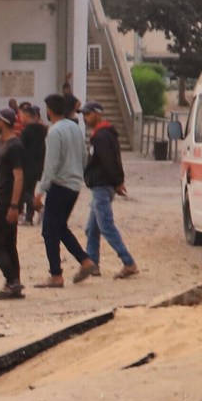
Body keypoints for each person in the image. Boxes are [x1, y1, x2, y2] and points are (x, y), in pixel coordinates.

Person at [36, 93, 90, 287]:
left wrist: (40, 191)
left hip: (59, 186)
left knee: (49, 231)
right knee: (58, 227)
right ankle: (85, 260)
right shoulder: (76, 129)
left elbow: (50, 165)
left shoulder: (54, 132)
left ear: (49, 111)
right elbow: (84, 156)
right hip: (74, 185)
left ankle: (56, 275)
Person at [80, 102, 139, 279]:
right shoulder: (104, 134)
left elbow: (108, 161)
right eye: (84, 114)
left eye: (88, 114)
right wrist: (118, 181)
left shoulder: (102, 136)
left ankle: (128, 262)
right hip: (103, 185)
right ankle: (93, 263)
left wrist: (118, 181)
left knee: (106, 226)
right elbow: (115, 159)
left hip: (102, 185)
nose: (85, 117)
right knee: (92, 228)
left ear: (98, 114)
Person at [0, 106, 26, 301]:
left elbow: (18, 177)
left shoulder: (14, 146)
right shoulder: (8, 145)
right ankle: (13, 284)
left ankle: (12, 281)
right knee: (9, 244)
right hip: (4, 202)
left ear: (4, 123)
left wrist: (14, 206)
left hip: (8, 204)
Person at [18, 101, 48, 224]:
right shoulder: (42, 130)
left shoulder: (27, 132)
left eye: (21, 115)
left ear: (26, 116)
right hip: (38, 165)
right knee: (30, 190)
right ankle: (29, 218)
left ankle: (40, 208)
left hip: (27, 165)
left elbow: (21, 148)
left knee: (22, 191)